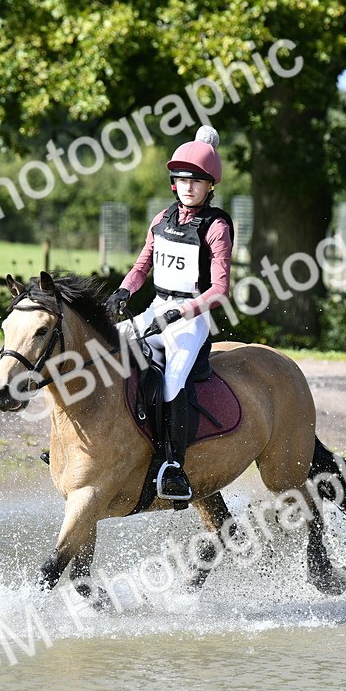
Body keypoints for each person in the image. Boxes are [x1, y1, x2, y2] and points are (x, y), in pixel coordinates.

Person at [104, 125, 234, 502]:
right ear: (174, 183)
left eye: (198, 181)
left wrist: (185, 311)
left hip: (191, 320)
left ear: (210, 186)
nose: (189, 187)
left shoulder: (216, 227)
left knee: (173, 380)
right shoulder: (161, 219)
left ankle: (173, 465)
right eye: (182, 180)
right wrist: (124, 291)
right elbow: (142, 266)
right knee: (106, 352)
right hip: (156, 308)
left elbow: (220, 289)